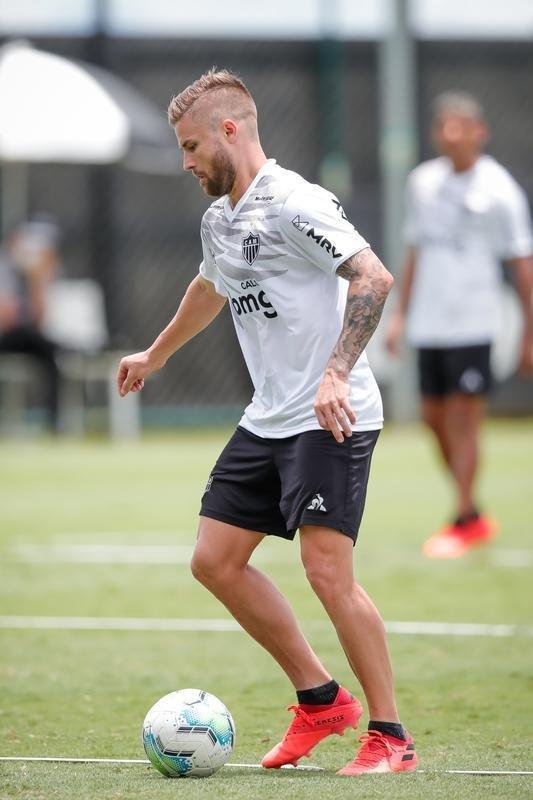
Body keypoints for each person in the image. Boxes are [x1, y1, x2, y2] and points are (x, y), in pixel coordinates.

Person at [117, 68, 418, 775]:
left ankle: (390, 738)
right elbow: (209, 284)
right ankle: (320, 701)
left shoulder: (294, 203)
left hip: (330, 414)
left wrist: (336, 372)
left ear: (230, 130)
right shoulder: (220, 217)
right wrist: (156, 354)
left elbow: (372, 277)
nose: (186, 162)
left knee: (325, 572)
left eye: (192, 146)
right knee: (214, 561)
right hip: (270, 417)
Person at [386, 91, 533, 559]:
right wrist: (400, 316)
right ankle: (472, 512)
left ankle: (462, 516)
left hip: (474, 321)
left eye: (459, 126)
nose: (450, 134)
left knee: (465, 418)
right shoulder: (422, 183)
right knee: (433, 418)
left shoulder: (500, 190)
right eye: (443, 126)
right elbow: (414, 251)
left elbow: (521, 262)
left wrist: (530, 329)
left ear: (479, 132)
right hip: (429, 322)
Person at [0, 217, 62, 432]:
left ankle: (54, 422)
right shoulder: (4, 269)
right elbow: (6, 318)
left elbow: (39, 318)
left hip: (28, 335)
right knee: (31, 335)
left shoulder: (38, 275)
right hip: (6, 336)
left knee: (52, 356)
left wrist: (37, 281)